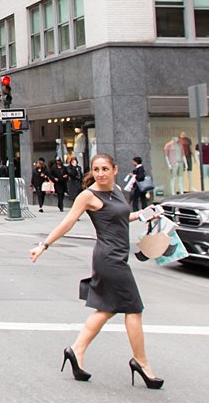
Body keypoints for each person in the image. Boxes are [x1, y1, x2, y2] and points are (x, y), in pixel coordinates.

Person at [29, 154, 165, 389]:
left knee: (106, 309)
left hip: (118, 256)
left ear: (114, 169)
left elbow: (121, 217)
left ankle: (76, 350)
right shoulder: (89, 195)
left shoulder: (117, 190)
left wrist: (145, 214)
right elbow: (68, 222)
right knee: (133, 309)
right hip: (109, 259)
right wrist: (44, 245)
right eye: (96, 169)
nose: (101, 173)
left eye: (105, 169)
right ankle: (141, 363)